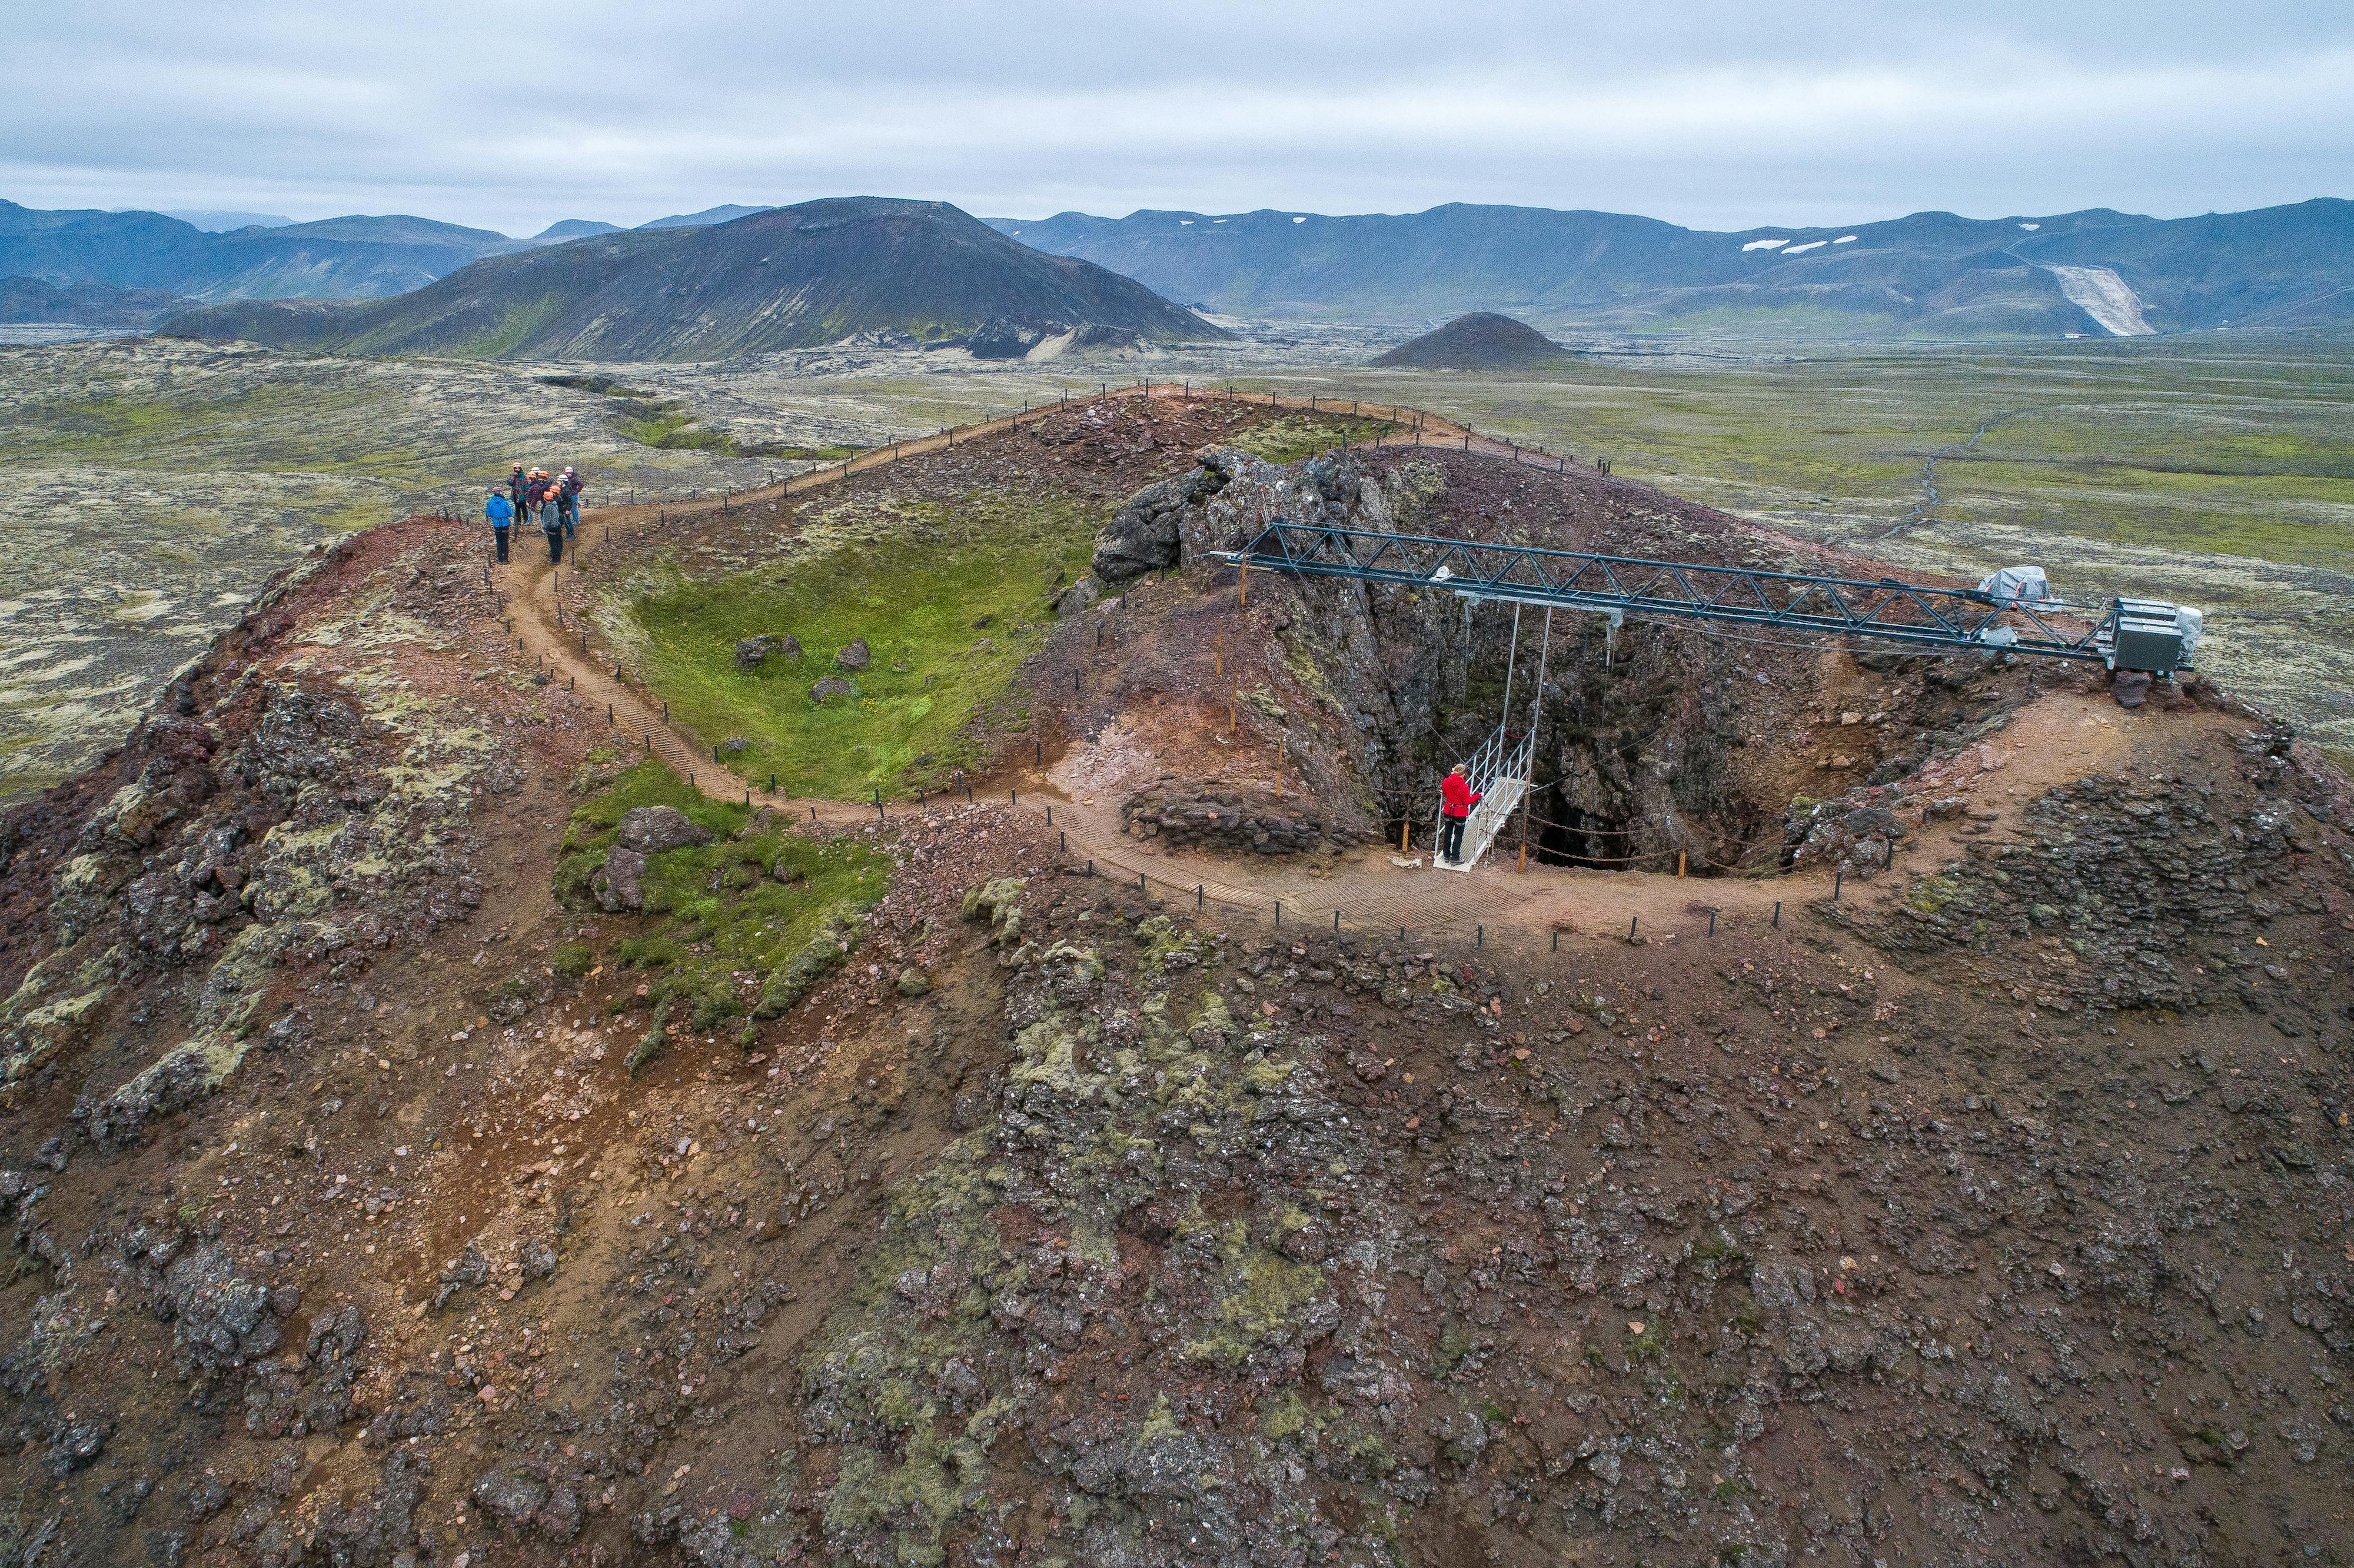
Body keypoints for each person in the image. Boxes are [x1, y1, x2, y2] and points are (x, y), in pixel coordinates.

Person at [1439, 764, 1481, 864]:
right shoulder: (1464, 787)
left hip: (1448, 810)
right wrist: (1478, 796)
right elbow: (1467, 801)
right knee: (1458, 836)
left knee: (1448, 833)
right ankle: (1455, 858)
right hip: (1460, 813)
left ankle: (1446, 856)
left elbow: (1445, 792)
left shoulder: (1446, 782)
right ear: (1463, 775)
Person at [484, 487, 514, 563]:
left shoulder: (490, 503)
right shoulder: (505, 502)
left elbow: (489, 514)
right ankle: (506, 559)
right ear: (501, 493)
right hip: (505, 523)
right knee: (505, 541)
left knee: (499, 541)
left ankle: (500, 558)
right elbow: (510, 513)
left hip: (497, 523)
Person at [540, 484, 566, 563]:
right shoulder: (554, 503)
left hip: (552, 527)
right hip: (557, 525)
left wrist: (544, 528)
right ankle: (557, 557)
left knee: (553, 544)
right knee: (558, 542)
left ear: (545, 499)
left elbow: (547, 520)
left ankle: (555, 559)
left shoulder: (548, 507)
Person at [558, 466, 581, 538]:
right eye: (567, 473)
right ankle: (574, 521)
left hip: (574, 495)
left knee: (574, 507)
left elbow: (581, 484)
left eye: (569, 473)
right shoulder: (567, 480)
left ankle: (576, 520)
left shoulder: (574, 479)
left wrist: (576, 491)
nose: (568, 474)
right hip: (570, 495)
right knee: (572, 507)